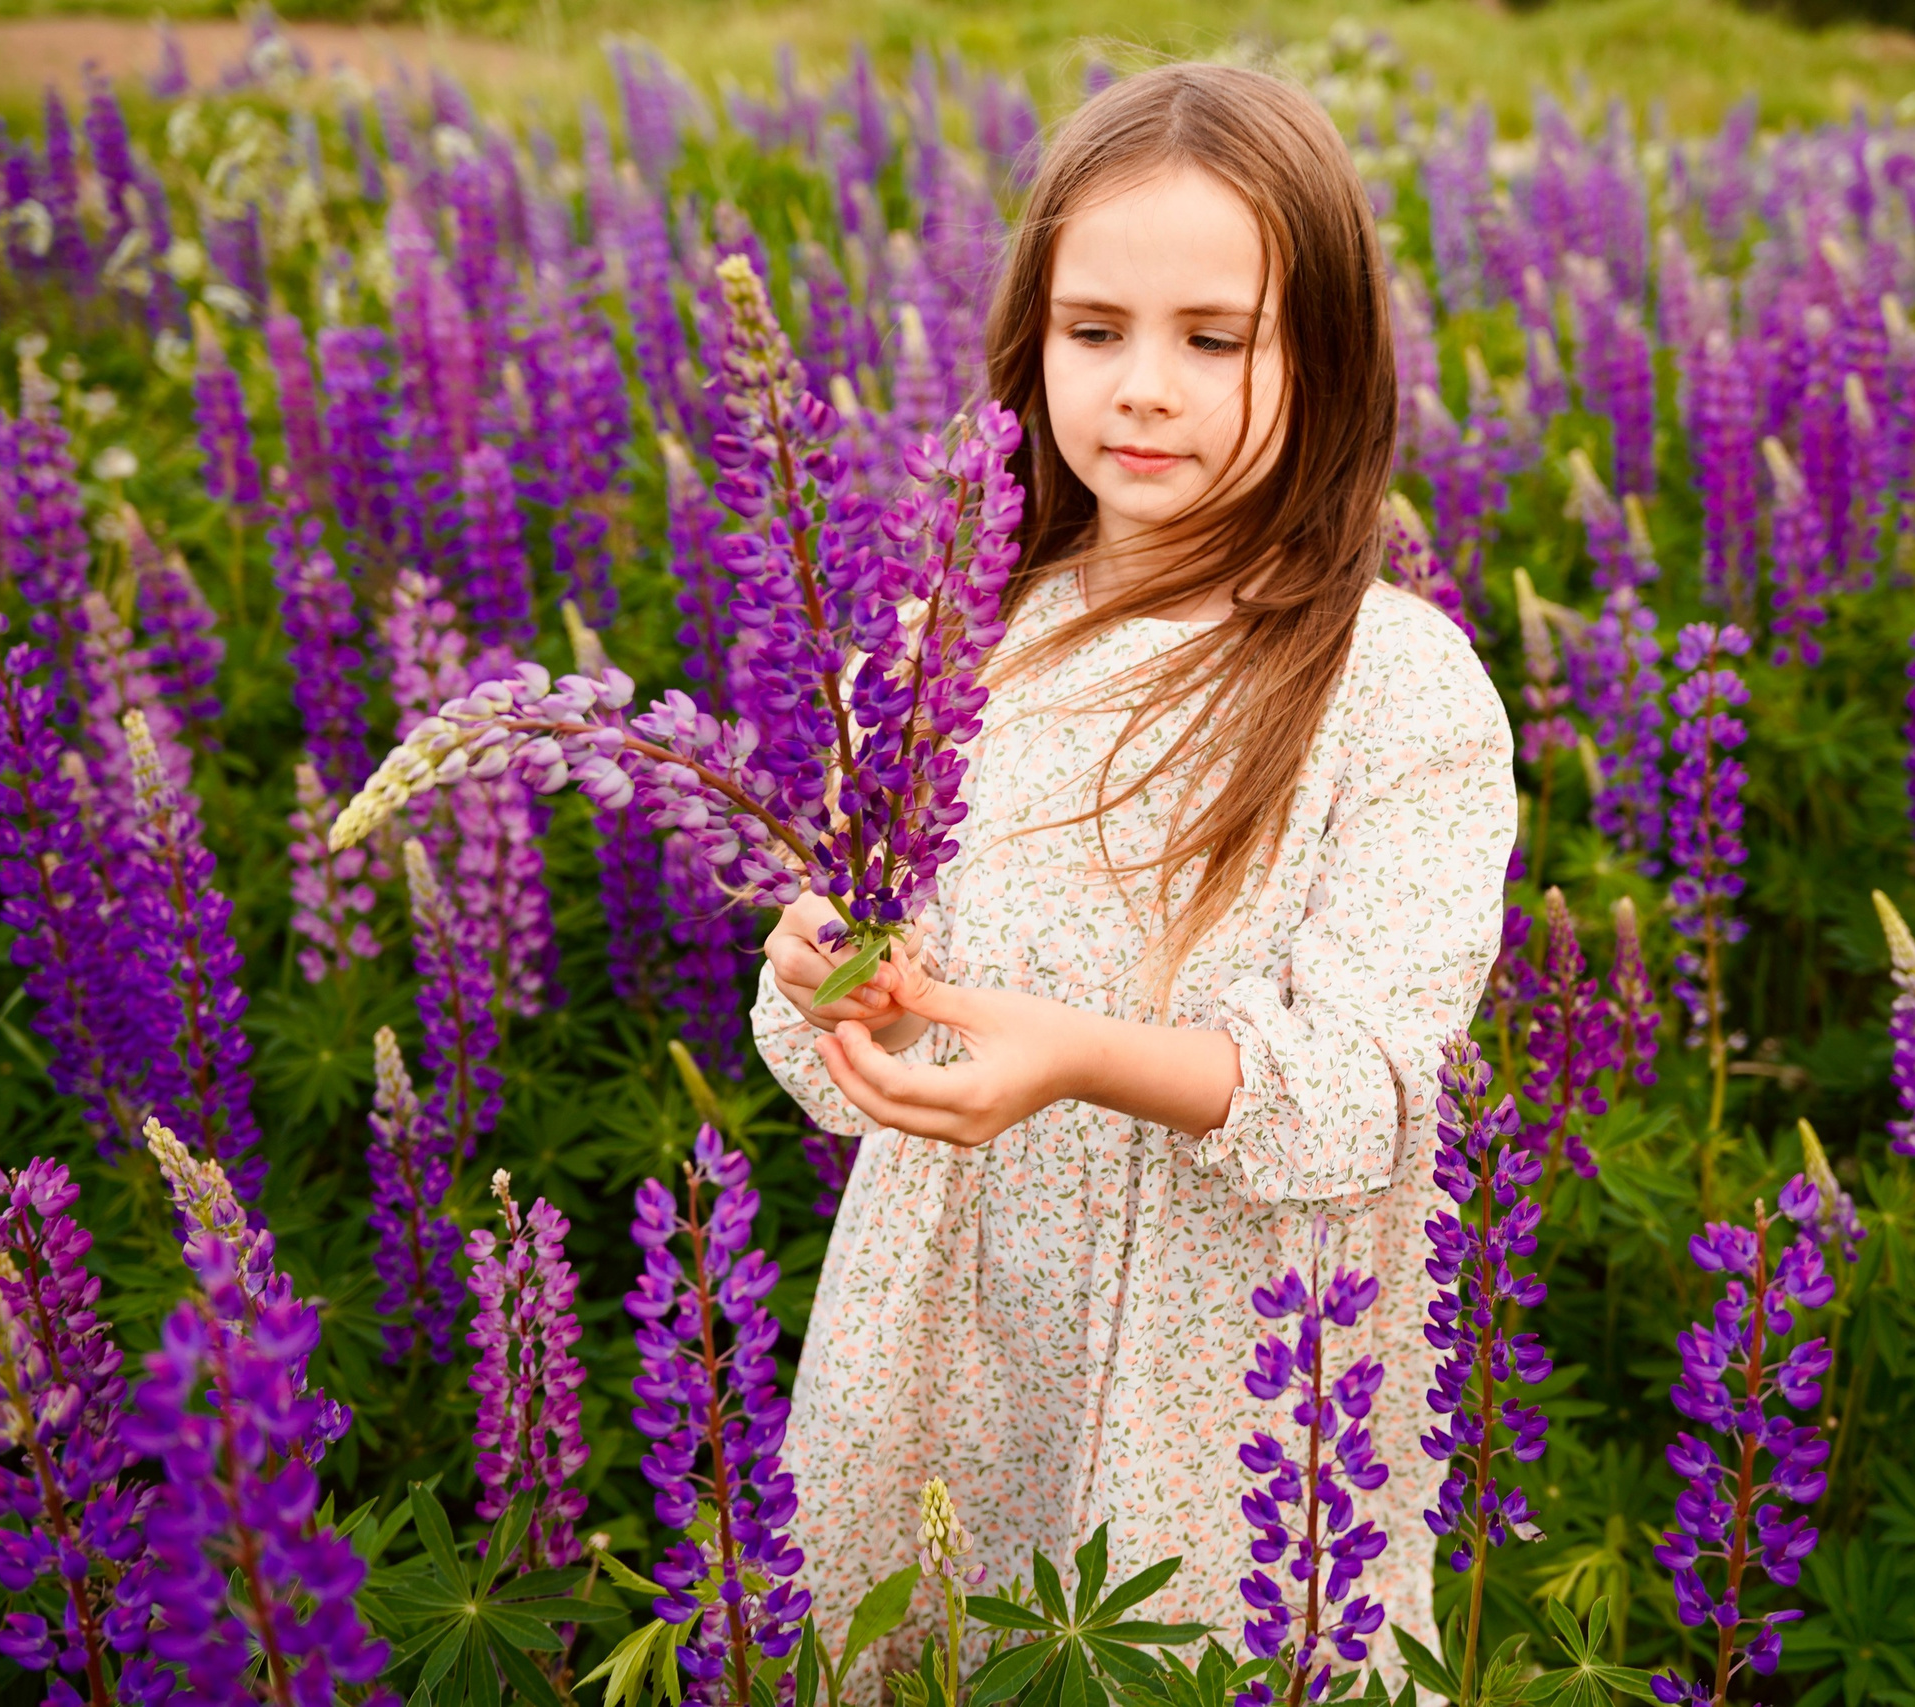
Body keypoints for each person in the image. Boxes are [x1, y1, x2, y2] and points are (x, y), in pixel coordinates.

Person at [751, 59, 1515, 1685]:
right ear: (1029, 345)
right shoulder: (944, 644)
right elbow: (855, 1057)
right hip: (947, 1357)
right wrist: (829, 974)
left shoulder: (1399, 684)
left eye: (1212, 338)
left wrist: (1082, 1060)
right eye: (1094, 331)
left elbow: (1367, 1087)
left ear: (1327, 359)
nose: (1141, 388)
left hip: (1233, 1397)